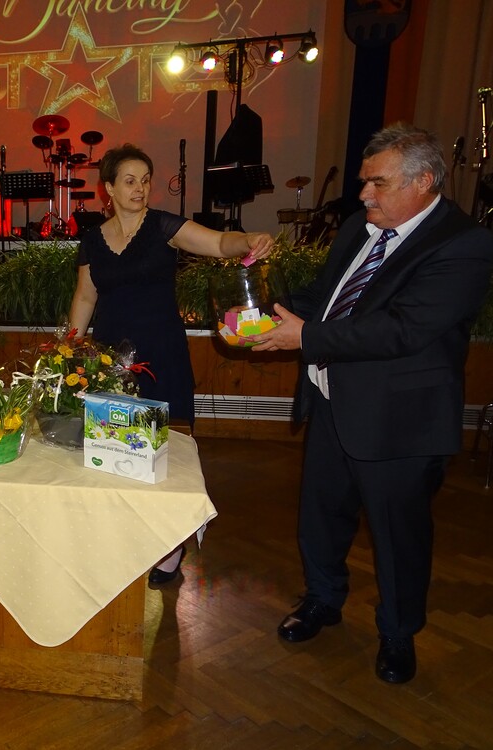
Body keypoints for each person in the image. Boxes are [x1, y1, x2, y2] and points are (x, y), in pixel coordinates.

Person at [252, 123, 493, 684]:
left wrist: (306, 337)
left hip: (399, 420)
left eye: (377, 183)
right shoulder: (361, 229)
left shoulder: (464, 243)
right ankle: (322, 599)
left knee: (398, 534)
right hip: (332, 402)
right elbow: (326, 299)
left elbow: (403, 329)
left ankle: (398, 632)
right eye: (364, 182)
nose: (364, 195)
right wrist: (263, 313)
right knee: (321, 517)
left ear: (423, 181)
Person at [68, 142, 274, 584]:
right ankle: (125, 535)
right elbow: (85, 297)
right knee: (116, 450)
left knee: (167, 455)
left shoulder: (163, 225)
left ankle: (170, 548)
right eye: (129, 181)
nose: (140, 188)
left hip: (161, 354)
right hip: (111, 362)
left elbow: (218, 242)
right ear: (108, 188)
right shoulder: (92, 240)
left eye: (145, 180)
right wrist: (67, 349)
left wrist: (248, 240)